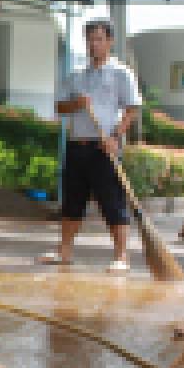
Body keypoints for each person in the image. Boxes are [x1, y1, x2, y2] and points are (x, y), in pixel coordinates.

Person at [37, 19, 141, 271]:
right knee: (73, 201)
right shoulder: (76, 76)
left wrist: (116, 136)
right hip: (77, 145)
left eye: (99, 39)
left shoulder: (121, 73)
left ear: (110, 41)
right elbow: (60, 107)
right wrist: (77, 104)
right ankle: (65, 250)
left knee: (112, 201)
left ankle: (121, 256)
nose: (94, 44)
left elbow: (132, 109)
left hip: (104, 147)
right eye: (90, 39)